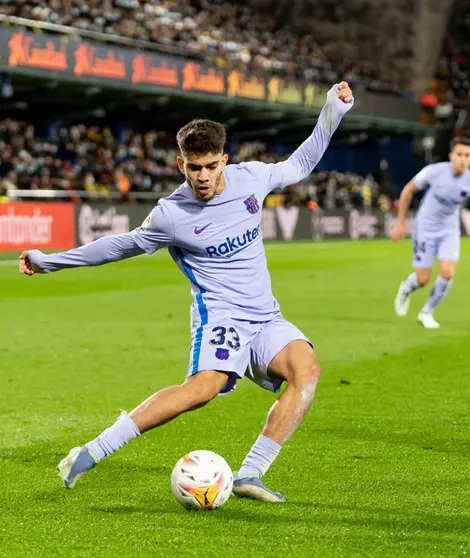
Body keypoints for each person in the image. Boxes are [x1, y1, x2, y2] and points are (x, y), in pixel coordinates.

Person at [18, 82, 354, 502]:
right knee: (201, 390)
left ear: (224, 161)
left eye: (211, 166)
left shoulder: (252, 179)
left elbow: (300, 162)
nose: (203, 177)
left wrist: (332, 112)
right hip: (221, 316)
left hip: (265, 315)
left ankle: (251, 473)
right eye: (194, 167)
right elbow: (119, 245)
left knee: (307, 370)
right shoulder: (170, 215)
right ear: (180, 163)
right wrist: (52, 260)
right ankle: (90, 452)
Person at [390, 137, 470, 329]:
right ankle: (406, 288)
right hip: (425, 228)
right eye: (459, 154)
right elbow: (407, 191)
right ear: (451, 156)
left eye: (467, 155)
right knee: (423, 279)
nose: (463, 159)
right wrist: (400, 224)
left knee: (447, 273)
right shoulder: (434, 171)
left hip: (449, 230)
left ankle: (426, 312)